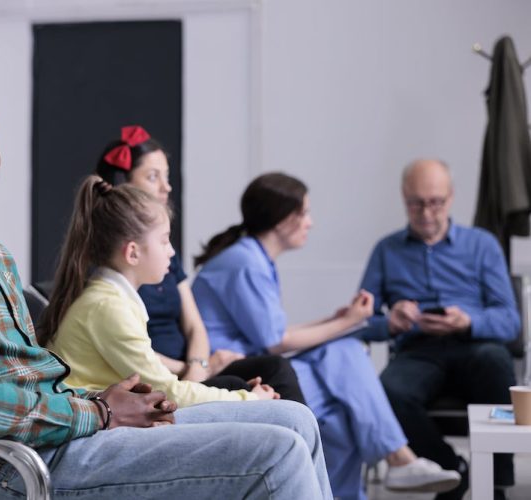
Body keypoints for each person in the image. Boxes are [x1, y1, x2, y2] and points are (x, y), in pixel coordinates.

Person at [0, 67, 335, 499]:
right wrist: (99, 412)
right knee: (276, 454)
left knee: (294, 419)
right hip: (10, 472)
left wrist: (107, 402)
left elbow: (22, 371)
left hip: (59, 439)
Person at [192, 172, 462, 500]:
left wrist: (339, 319)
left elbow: (275, 333)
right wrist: (345, 324)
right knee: (344, 360)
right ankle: (399, 457)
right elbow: (275, 340)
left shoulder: (252, 257)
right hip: (236, 374)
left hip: (257, 364)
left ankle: (384, 467)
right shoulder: (245, 263)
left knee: (340, 413)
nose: (311, 222)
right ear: (283, 220)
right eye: (304, 213)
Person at [91, 125, 304, 401]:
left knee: (275, 368)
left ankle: (306, 444)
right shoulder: (107, 279)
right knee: (239, 384)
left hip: (188, 366)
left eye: (166, 177)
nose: (166, 187)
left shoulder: (163, 257)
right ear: (124, 186)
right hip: (155, 372)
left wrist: (199, 365)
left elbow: (195, 326)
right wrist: (193, 371)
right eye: (153, 177)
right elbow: (132, 354)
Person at [39, 175, 279, 407]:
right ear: (132, 253)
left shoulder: (110, 299)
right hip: (98, 428)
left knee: (236, 385)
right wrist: (250, 401)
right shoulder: (108, 307)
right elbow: (167, 393)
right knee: (258, 399)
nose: (171, 252)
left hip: (110, 414)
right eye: (164, 241)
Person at [358, 159, 519, 500]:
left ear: (451, 197)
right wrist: (391, 321)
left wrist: (469, 321)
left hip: (475, 346)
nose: (427, 213)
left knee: (496, 365)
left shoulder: (482, 245)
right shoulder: (387, 250)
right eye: (416, 203)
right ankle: (450, 470)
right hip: (417, 350)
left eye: (436, 202)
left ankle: (498, 484)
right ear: (404, 198)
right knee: (386, 391)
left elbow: (510, 320)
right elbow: (359, 322)